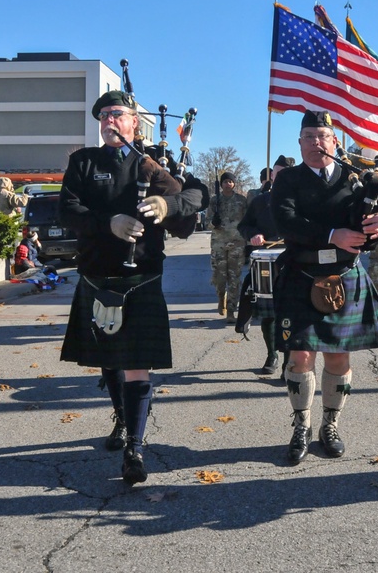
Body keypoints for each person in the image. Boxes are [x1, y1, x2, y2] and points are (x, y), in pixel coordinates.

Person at [58, 89, 208, 487]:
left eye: (117, 114)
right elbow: (68, 210)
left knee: (135, 362)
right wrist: (109, 222)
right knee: (111, 360)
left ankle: (134, 449)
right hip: (96, 273)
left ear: (134, 124)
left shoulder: (151, 165)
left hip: (141, 276)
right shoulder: (83, 163)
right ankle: (123, 420)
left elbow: (196, 194)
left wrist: (166, 206)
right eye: (104, 115)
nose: (109, 120)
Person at [271, 110, 378, 465]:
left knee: (339, 357)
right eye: (308, 136)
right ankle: (301, 425)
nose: (316, 143)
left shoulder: (354, 178)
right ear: (299, 143)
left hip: (345, 275)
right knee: (300, 357)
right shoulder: (289, 180)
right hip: (303, 273)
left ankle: (330, 424)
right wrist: (332, 236)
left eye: (322, 136)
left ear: (334, 141)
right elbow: (285, 221)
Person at [237, 154, 293, 375]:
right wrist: (254, 234)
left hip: (293, 261)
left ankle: (290, 361)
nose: (282, 177)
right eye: (278, 173)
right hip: (265, 262)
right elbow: (244, 226)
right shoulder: (260, 201)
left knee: (291, 313)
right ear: (272, 175)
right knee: (269, 315)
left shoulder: (301, 199)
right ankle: (272, 355)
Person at [207, 171, 248, 322]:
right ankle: (220, 297)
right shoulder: (214, 201)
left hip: (237, 245)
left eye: (231, 181)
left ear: (234, 183)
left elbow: (247, 222)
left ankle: (231, 311)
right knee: (219, 278)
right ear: (221, 184)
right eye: (225, 181)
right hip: (219, 245)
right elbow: (206, 223)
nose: (228, 184)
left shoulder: (242, 201)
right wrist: (214, 222)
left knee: (234, 279)